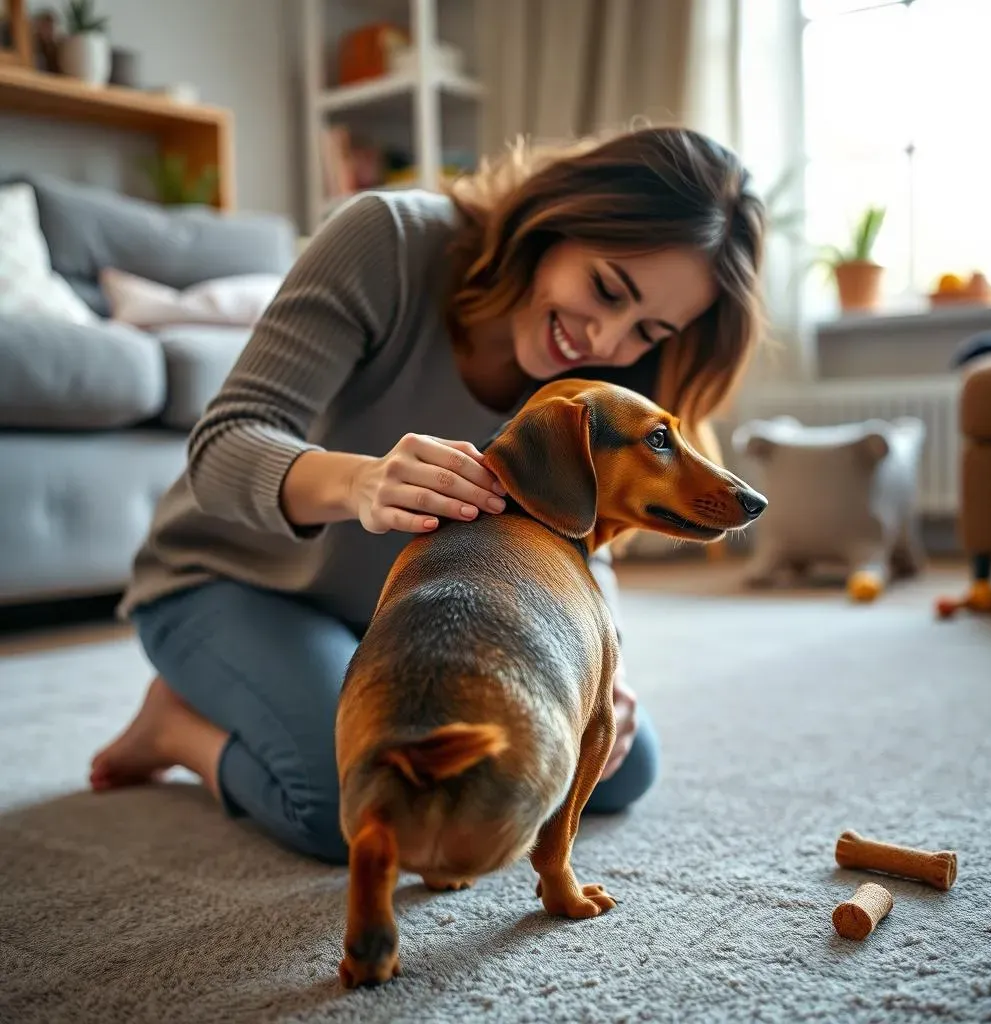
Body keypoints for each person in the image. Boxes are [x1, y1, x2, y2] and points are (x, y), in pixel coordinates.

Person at [89, 125, 767, 864]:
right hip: (232, 581)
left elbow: (575, 535)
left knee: (611, 765)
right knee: (355, 807)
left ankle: (312, 679)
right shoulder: (386, 241)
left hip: (415, 613)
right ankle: (175, 726)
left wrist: (608, 666)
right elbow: (223, 444)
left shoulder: (608, 386)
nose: (604, 338)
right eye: (606, 288)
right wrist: (361, 481)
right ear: (558, 218)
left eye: (649, 330)